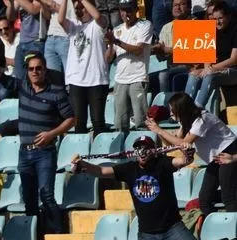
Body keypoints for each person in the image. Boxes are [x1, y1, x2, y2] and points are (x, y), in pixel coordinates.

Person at [74, 136, 237, 240]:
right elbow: (101, 172)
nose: (142, 152)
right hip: (147, 236)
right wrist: (83, 165)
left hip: (174, 230)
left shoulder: (162, 164)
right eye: (138, 148)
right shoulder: (129, 169)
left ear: (153, 151)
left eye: (146, 149)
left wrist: (187, 152)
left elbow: (183, 161)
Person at [0, 52, 75, 235]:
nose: (35, 72)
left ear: (45, 70)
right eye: (31, 69)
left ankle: (58, 234)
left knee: (47, 195)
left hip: (45, 152)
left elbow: (71, 119)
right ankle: (34, 237)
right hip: (24, 152)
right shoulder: (23, 86)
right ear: (27, 72)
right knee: (29, 198)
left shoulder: (56, 92)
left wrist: (52, 134)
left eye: (39, 68)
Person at [148, 93, 237, 214]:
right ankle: (212, 228)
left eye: (173, 110)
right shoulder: (186, 121)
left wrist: (160, 131)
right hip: (215, 158)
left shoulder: (202, 119)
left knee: (229, 198)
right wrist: (157, 130)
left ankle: (233, 229)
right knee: (204, 200)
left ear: (181, 109)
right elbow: (171, 145)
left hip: (229, 153)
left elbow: (183, 143)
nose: (171, 113)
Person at [60, 0, 109, 137]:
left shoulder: (98, 25)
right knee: (79, 122)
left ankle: (101, 155)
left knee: (98, 122)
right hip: (77, 81)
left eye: (82, 8)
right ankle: (79, 156)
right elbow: (60, 19)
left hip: (97, 80)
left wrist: (82, 0)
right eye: (76, 9)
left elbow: (98, 17)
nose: (79, 11)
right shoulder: (73, 26)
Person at [107, 1, 152, 133]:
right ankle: (123, 151)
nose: (126, 14)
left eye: (129, 10)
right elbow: (108, 58)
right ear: (120, 11)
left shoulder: (145, 25)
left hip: (138, 78)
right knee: (119, 123)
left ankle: (145, 150)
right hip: (120, 80)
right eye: (123, 10)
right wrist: (110, 44)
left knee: (140, 121)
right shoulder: (117, 30)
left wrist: (116, 41)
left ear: (136, 10)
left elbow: (138, 50)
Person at [184, 3, 237, 109]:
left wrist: (212, 69)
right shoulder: (212, 31)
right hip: (215, 69)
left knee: (209, 75)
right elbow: (207, 57)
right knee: (193, 74)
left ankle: (198, 108)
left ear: (229, 17)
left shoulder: (235, 30)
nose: (217, 22)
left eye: (221, 18)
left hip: (232, 70)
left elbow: (234, 59)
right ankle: (185, 107)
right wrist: (207, 68)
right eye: (215, 18)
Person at [153, 0, 192, 94]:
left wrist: (166, 50)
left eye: (182, 4)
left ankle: (166, 105)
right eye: (175, 5)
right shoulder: (166, 27)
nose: (178, 7)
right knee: (150, 78)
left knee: (163, 75)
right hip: (172, 66)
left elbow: (191, 53)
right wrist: (158, 51)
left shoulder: (195, 23)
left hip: (190, 66)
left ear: (189, 7)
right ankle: (161, 106)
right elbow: (161, 58)